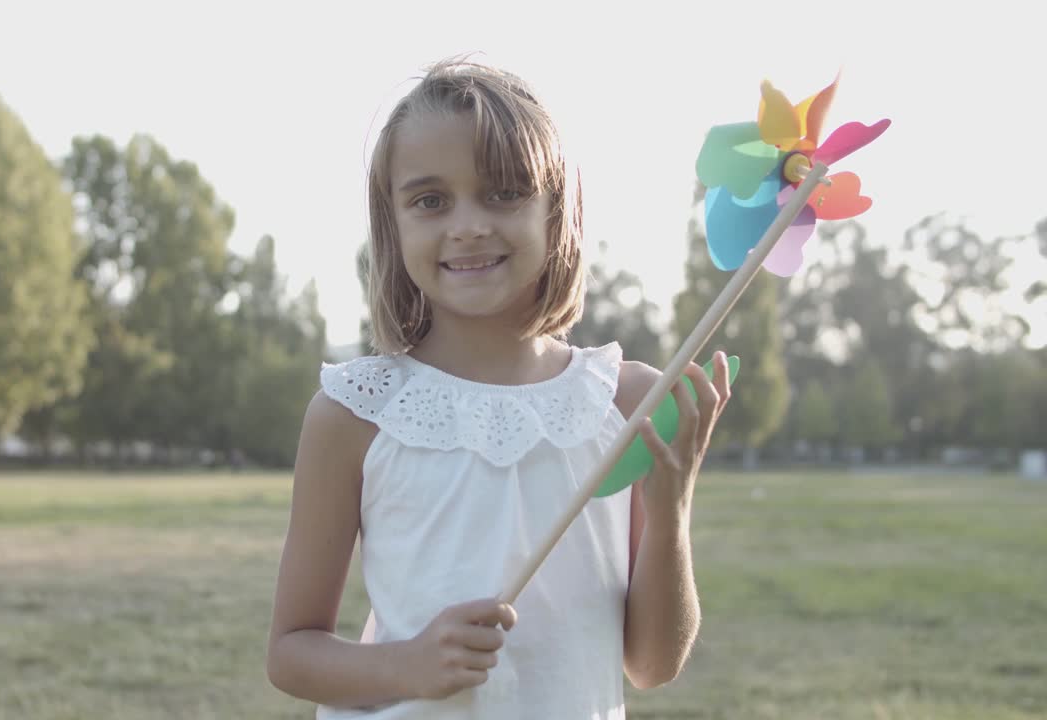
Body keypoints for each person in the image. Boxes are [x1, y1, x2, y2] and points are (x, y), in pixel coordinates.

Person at [266, 56, 733, 719]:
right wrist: (407, 665)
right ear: (393, 224)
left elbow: (653, 664)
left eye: (504, 193)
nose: (467, 225)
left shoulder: (629, 403)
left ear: (555, 209)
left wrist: (671, 510)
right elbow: (291, 653)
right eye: (430, 200)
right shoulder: (356, 413)